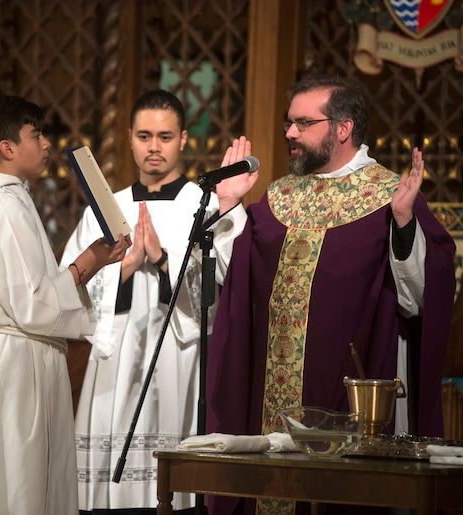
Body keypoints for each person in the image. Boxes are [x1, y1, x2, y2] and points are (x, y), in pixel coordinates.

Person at [206, 74, 456, 515]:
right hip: (273, 400)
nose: (289, 134)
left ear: (343, 128)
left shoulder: (388, 194)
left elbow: (418, 299)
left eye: (303, 123)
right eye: (289, 123)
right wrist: (228, 206)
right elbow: (237, 281)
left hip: (349, 396)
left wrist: (403, 226)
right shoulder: (279, 196)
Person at [60, 89, 244, 513]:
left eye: (164, 136)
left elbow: (220, 294)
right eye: (144, 136)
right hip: (115, 358)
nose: (154, 147)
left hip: (178, 355)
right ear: (129, 138)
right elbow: (71, 288)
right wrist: (127, 267)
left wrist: (162, 262)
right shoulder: (106, 209)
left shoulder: (208, 207)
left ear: (183, 139)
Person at [0, 94, 130, 515]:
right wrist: (89, 263)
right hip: (15, 360)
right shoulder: (3, 208)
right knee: (16, 483)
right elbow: (30, 304)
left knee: (29, 481)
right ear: (7, 148)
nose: (47, 144)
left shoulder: (14, 200)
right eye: (37, 134)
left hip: (25, 355)